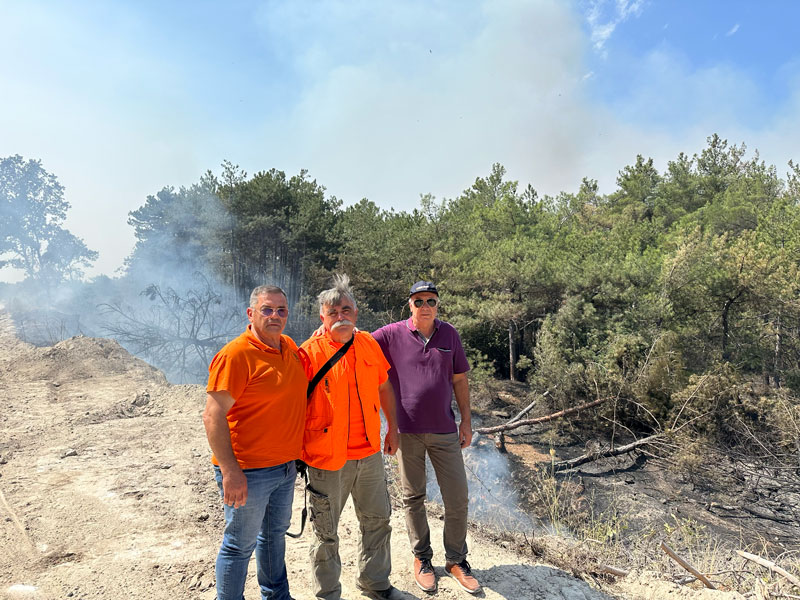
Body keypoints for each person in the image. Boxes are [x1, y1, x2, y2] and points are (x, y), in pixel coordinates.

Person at [372, 280, 480, 595]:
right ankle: (422, 558)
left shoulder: (449, 335)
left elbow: (460, 380)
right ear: (410, 305)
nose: (425, 307)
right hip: (406, 431)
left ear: (437, 305)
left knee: (457, 497)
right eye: (419, 301)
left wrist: (466, 422)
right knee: (413, 497)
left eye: (431, 301)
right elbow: (356, 342)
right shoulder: (390, 334)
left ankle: (456, 560)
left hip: (445, 430)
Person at [299, 274, 402, 600]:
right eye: (333, 312)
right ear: (322, 318)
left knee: (377, 521)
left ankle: (375, 583)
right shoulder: (308, 353)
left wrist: (393, 429)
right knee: (325, 532)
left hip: (369, 453)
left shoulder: (369, 343)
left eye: (346, 310)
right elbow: (292, 405)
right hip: (327, 459)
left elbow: (384, 386)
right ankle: (327, 593)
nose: (340, 316)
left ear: (355, 314)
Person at [203, 285, 306, 600]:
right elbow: (212, 417)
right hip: (249, 472)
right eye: (267, 309)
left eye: (281, 310)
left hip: (285, 468)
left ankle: (276, 596)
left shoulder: (287, 346)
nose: (274, 315)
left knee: (274, 537)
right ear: (251, 314)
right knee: (238, 545)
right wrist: (231, 471)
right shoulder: (236, 355)